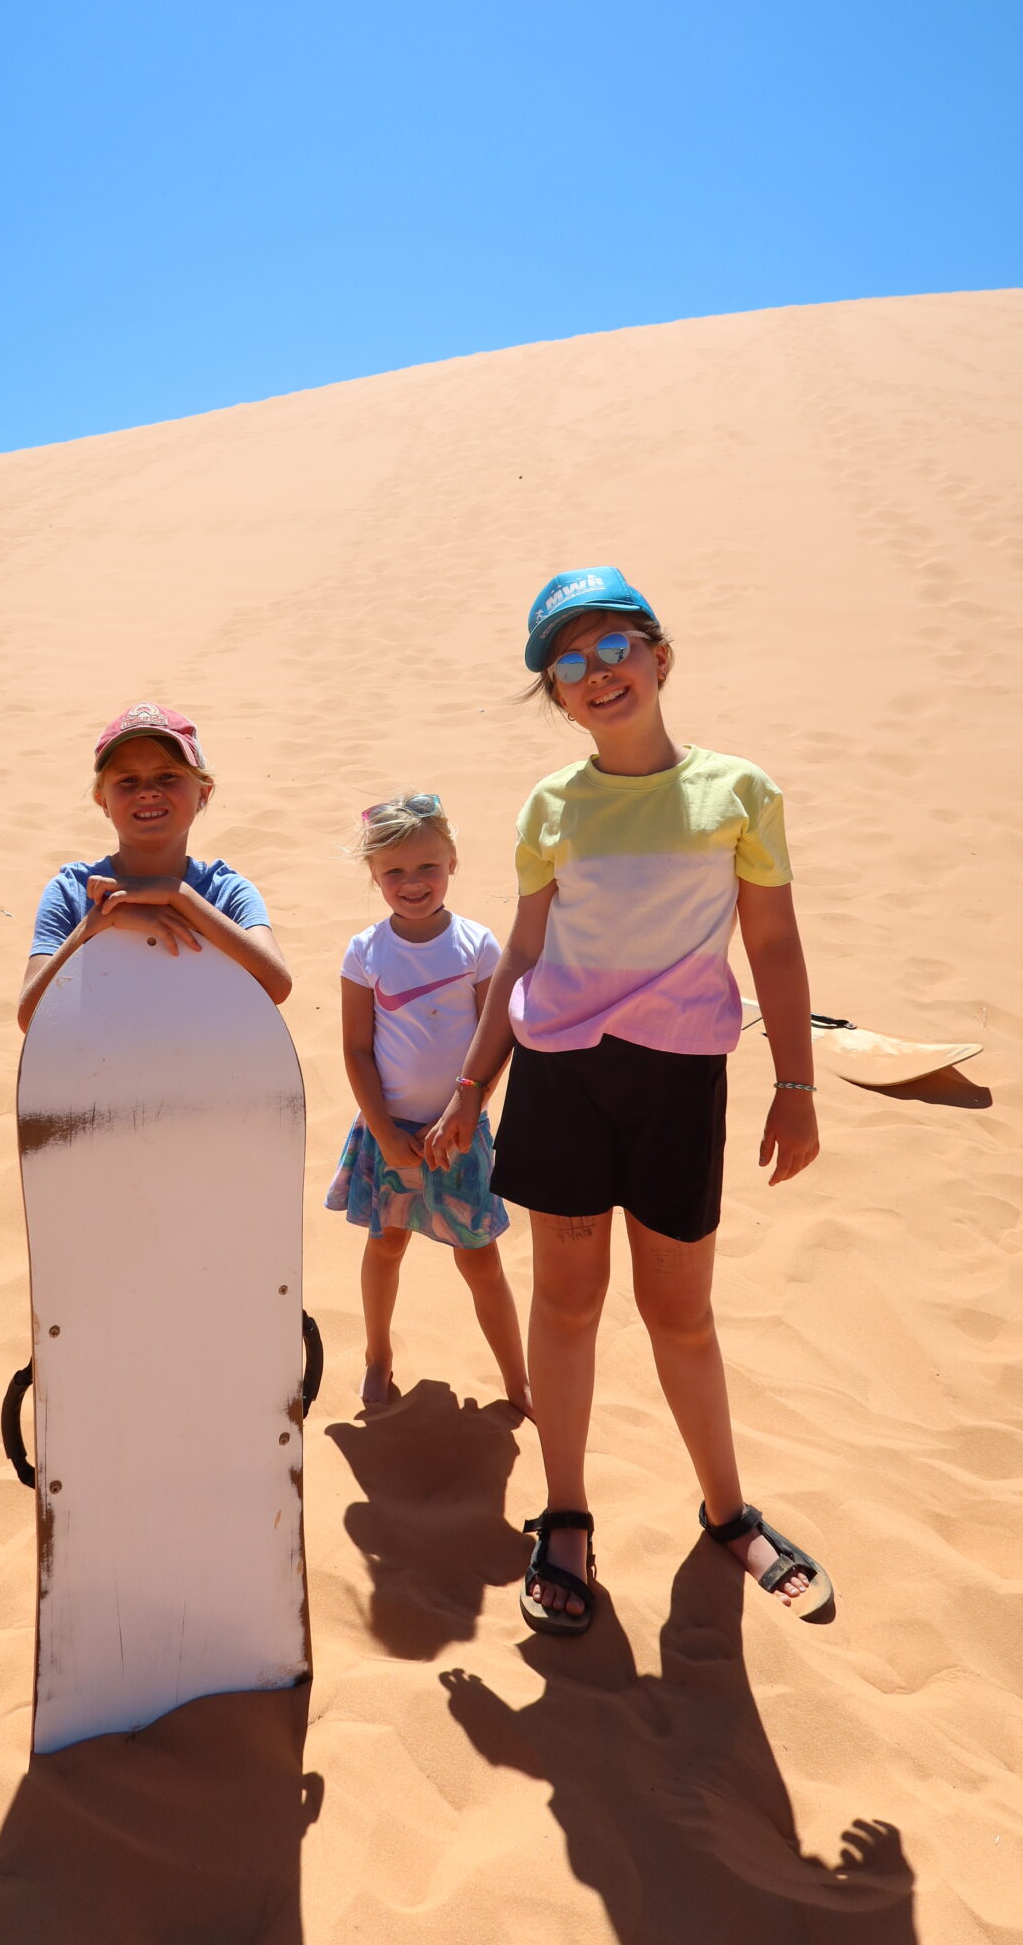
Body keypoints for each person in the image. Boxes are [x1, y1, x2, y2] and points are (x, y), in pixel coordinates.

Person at [425, 569, 832, 1635]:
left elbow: (773, 940)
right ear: (554, 694)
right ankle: (564, 1514)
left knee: (680, 1314)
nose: (596, 673)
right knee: (565, 1305)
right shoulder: (549, 807)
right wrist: (473, 1081)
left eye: (614, 649)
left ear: (659, 656)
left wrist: (794, 1083)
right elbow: (523, 947)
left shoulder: (737, 790)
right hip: (560, 1076)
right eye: (569, 662)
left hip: (680, 1079)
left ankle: (728, 1508)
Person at [326, 792, 531, 1414]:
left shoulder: (477, 946)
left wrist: (467, 1113)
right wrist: (386, 1134)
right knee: (386, 1244)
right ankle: (377, 1355)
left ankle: (517, 1379)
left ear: (453, 863)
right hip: (390, 1134)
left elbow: (498, 1040)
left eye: (427, 867)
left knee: (480, 1259)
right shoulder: (365, 953)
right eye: (394, 872)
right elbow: (357, 1050)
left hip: (461, 1133)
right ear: (373, 875)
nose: (412, 883)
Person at [18, 701, 290, 1033]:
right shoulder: (72, 890)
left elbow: (277, 984)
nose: (147, 792)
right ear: (102, 800)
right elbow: (29, 1016)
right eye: (128, 780)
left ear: (204, 793)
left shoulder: (227, 891)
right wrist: (98, 922)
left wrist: (181, 897)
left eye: (167, 776)